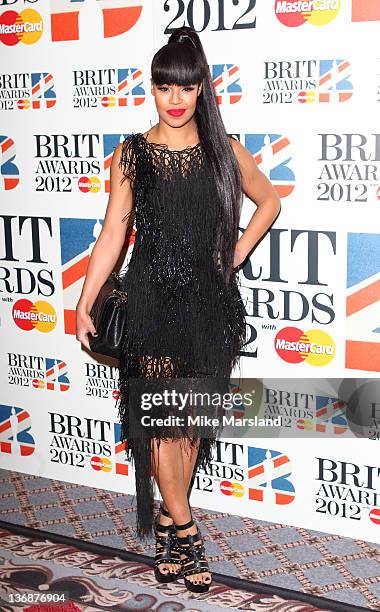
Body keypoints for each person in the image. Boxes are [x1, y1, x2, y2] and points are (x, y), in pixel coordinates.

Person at [76, 26, 281, 594]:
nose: (173, 98)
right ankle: (187, 530)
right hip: (151, 304)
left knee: (187, 427)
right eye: (164, 86)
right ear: (153, 87)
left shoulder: (223, 150)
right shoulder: (133, 154)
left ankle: (168, 518)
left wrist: (235, 252)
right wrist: (84, 298)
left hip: (210, 307)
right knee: (166, 426)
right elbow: (114, 231)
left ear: (201, 91)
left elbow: (270, 201)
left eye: (184, 88)